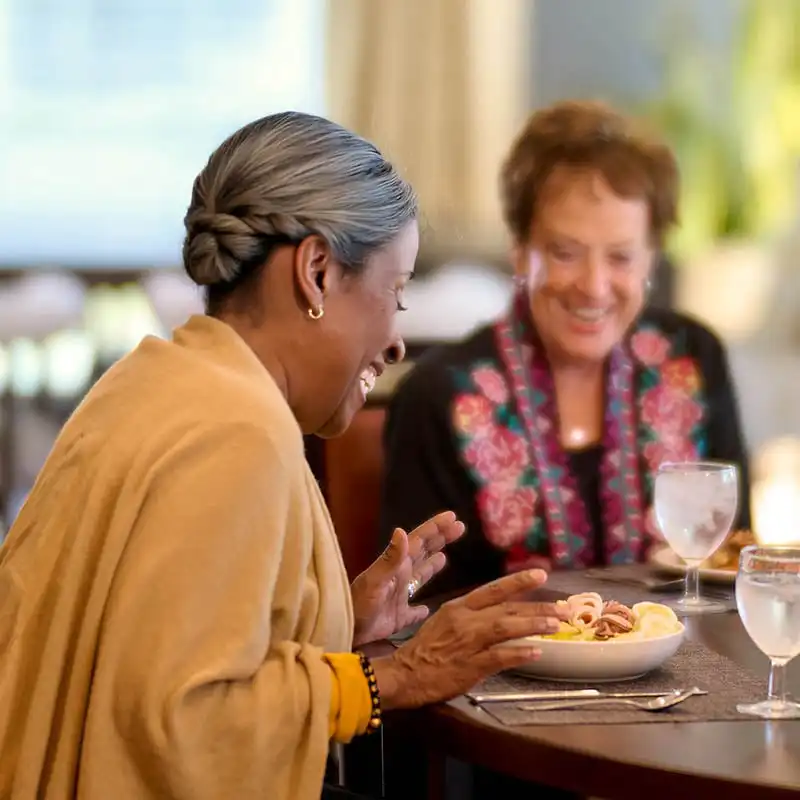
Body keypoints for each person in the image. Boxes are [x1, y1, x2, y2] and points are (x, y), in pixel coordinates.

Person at [0, 113, 567, 800]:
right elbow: (185, 723)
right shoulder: (237, 433)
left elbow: (147, 643)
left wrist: (330, 616)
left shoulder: (157, 377)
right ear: (317, 271)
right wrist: (400, 675)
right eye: (396, 292)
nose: (395, 341)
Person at [381, 100, 752, 598]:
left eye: (621, 257)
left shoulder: (693, 358)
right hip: (510, 672)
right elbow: (417, 610)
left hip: (696, 670)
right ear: (520, 251)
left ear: (652, 259)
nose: (595, 287)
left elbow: (732, 565)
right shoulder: (437, 397)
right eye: (565, 252)